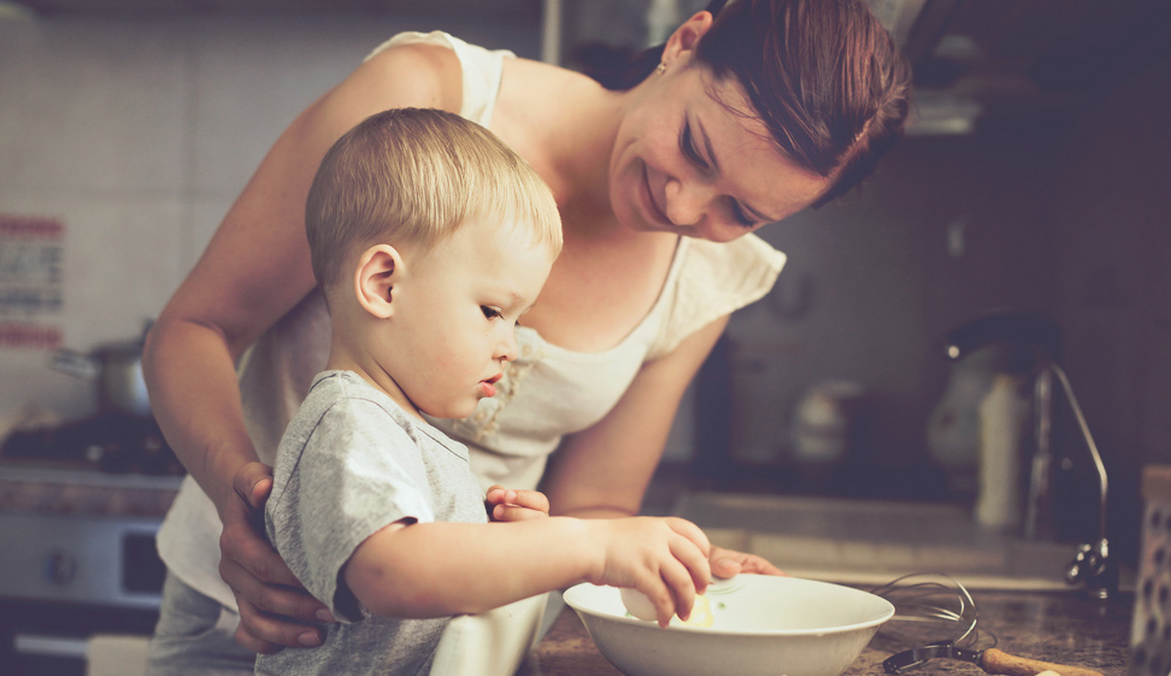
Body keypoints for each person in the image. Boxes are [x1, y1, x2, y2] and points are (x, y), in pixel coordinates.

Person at [142, 0, 912, 671]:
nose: (685, 210)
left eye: (741, 211)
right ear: (685, 43)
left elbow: (594, 508)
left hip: (446, 651)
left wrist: (663, 563)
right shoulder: (428, 100)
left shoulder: (712, 277)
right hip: (255, 623)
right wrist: (245, 507)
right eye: (698, 149)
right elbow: (194, 329)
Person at [250, 107, 713, 676]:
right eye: (493, 311)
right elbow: (389, 571)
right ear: (383, 285)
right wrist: (583, 546)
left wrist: (508, 542)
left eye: (516, 319)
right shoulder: (347, 424)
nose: (510, 346)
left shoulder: (401, 432)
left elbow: (434, 574)